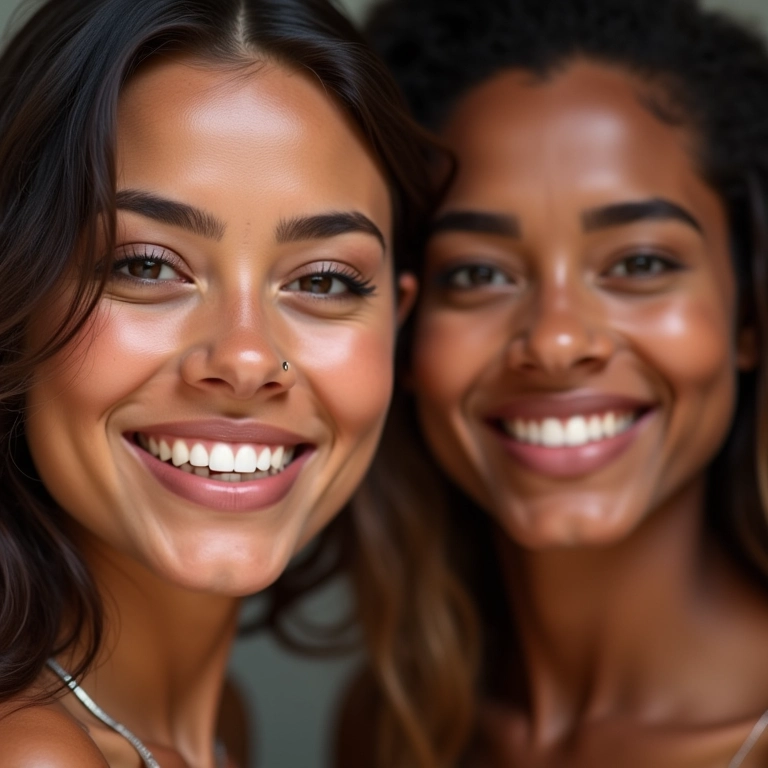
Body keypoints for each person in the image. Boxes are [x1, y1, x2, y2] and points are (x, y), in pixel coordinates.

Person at [0, 0, 436, 764]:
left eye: (326, 280)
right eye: (145, 266)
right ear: (15, 298)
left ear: (398, 323)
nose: (245, 358)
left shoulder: (210, 729)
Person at [336, 0, 768, 766]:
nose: (557, 340)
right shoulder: (390, 727)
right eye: (477, 274)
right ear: (401, 332)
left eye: (640, 264)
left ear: (748, 317)